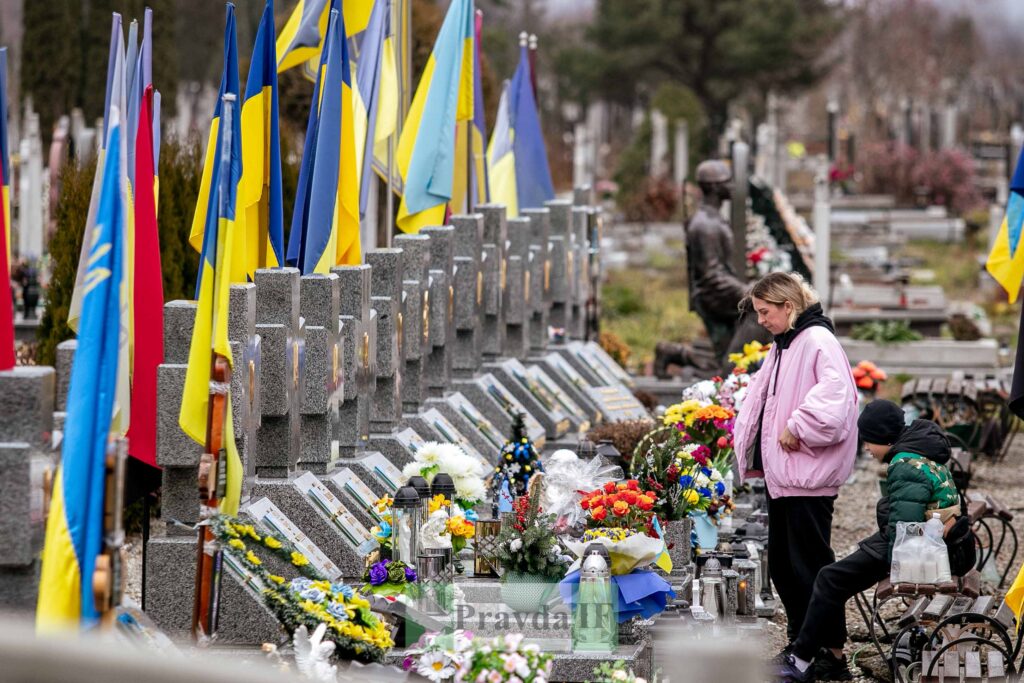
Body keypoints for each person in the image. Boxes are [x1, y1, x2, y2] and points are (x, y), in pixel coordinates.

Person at [776, 400, 960, 682]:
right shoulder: (920, 453)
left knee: (828, 578)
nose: (866, 448)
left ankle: (800, 661)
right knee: (833, 576)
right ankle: (832, 661)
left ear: (885, 437)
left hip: (916, 551)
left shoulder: (904, 464)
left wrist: (888, 564)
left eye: (869, 441)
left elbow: (905, 530)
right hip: (928, 544)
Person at [733, 272, 859, 671]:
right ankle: (804, 644)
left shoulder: (816, 340)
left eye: (765, 312)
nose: (762, 320)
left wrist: (797, 425)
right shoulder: (788, 342)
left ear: (788, 306)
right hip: (786, 475)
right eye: (758, 313)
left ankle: (830, 654)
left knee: (812, 567)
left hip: (806, 475)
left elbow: (837, 400)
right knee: (788, 569)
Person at [685, 160, 747, 362]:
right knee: (759, 310)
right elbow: (711, 276)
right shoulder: (705, 225)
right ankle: (735, 372)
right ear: (714, 187)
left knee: (726, 353)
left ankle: (673, 354)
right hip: (713, 298)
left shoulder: (713, 219)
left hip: (720, 294)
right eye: (727, 182)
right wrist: (746, 291)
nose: (732, 186)